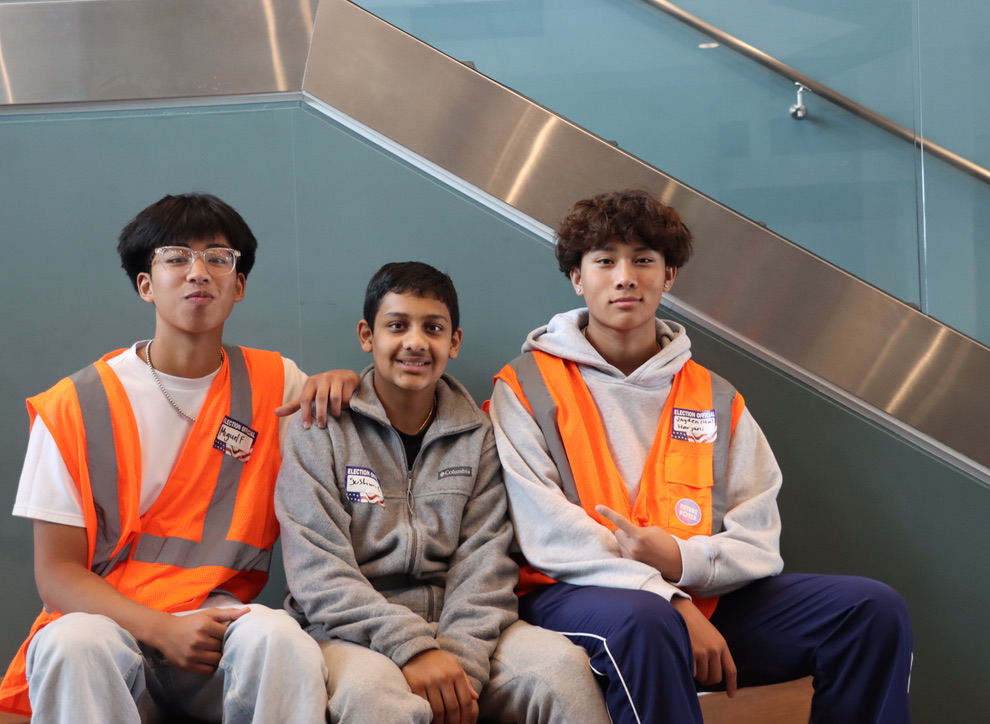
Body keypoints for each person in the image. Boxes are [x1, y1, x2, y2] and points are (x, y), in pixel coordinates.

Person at [488, 188, 914, 724]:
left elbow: (759, 539)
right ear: (578, 277)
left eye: (644, 260)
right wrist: (669, 597)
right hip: (574, 596)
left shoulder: (714, 396)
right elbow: (546, 535)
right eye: (605, 261)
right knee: (649, 621)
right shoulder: (526, 386)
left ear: (668, 277)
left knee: (872, 611)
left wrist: (682, 565)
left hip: (704, 594)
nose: (626, 277)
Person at [0, 193, 359, 723]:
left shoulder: (279, 383)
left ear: (239, 285)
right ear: (146, 284)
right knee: (70, 643)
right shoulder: (73, 405)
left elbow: (351, 458)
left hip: (214, 631)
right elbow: (56, 574)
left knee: (280, 636)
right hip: (109, 627)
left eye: (218, 257)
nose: (198, 273)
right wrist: (161, 628)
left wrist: (348, 382)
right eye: (175, 257)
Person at [276, 261, 610, 724]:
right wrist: (413, 650)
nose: (415, 341)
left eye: (433, 327)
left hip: (465, 631)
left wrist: (460, 667)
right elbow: (318, 576)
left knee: (562, 672)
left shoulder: (480, 434)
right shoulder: (320, 429)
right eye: (397, 325)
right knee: (373, 697)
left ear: (453, 342)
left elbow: (487, 563)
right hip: (348, 633)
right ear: (367, 336)